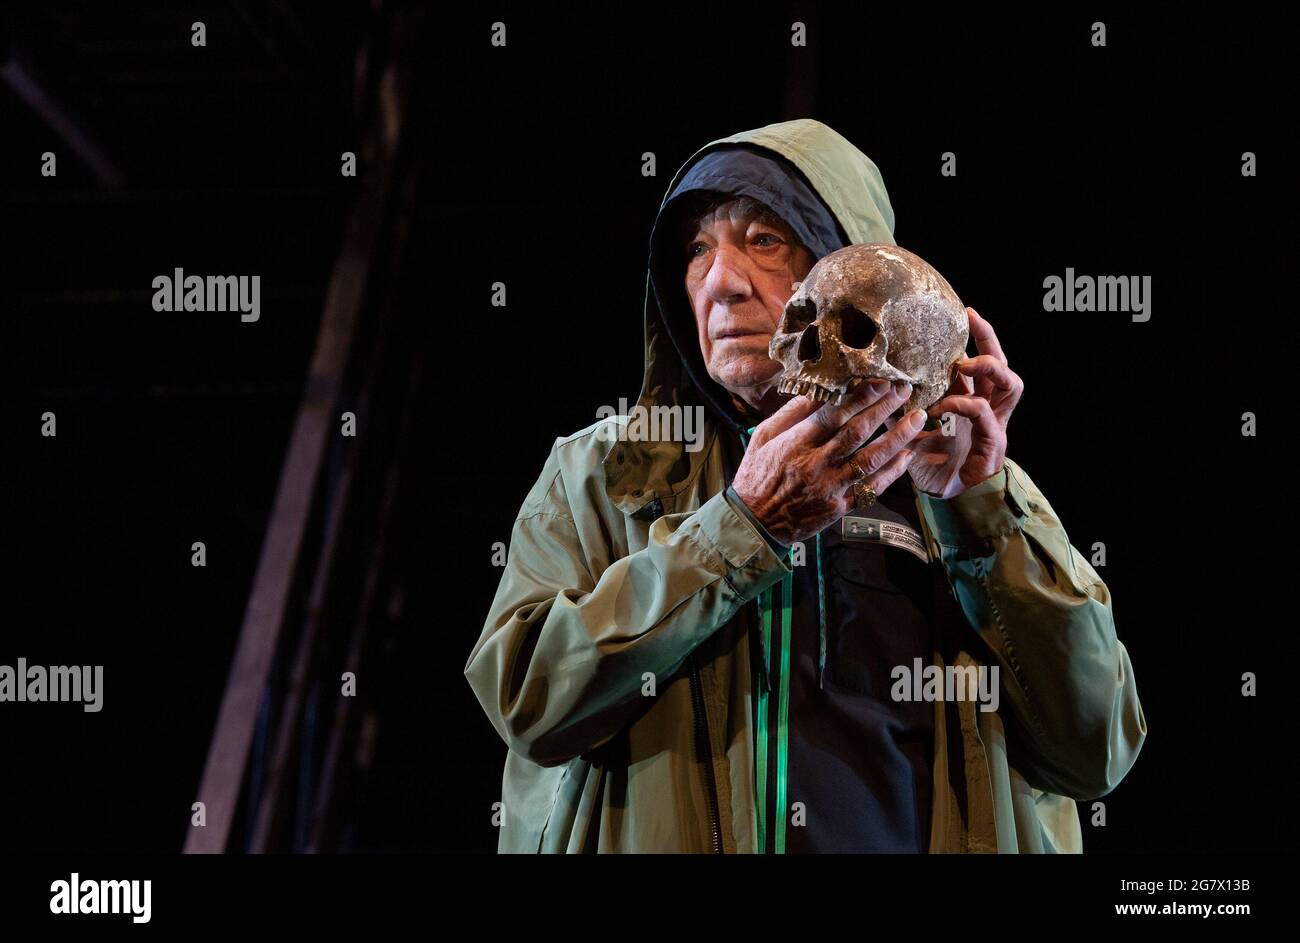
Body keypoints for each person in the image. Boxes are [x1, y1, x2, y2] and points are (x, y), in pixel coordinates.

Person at [464, 118, 1146, 853]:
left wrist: (978, 514)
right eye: (697, 249)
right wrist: (739, 528)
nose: (720, 282)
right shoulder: (601, 473)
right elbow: (527, 700)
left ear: (853, 270)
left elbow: (1095, 748)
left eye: (763, 240)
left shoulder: (960, 477)